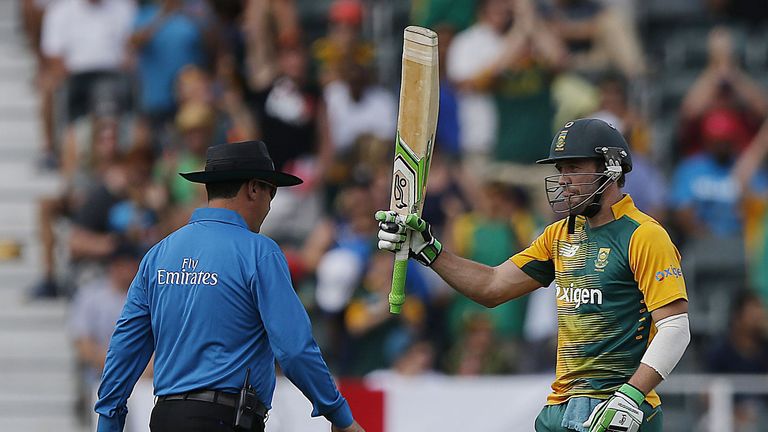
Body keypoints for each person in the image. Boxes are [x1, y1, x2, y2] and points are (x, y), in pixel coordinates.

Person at [377, 118, 690, 432]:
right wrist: (430, 251)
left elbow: (675, 329)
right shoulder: (558, 235)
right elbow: (492, 285)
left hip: (618, 407)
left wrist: (629, 396)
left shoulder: (644, 235)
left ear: (611, 168)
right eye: (560, 169)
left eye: (574, 167)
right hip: (560, 407)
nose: (563, 179)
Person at [95, 140, 365, 432]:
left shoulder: (159, 253)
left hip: (166, 418)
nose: (270, 204)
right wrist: (338, 414)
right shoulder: (259, 252)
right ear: (253, 188)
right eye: (270, 191)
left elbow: (125, 345)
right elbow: (295, 349)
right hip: (225, 420)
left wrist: (109, 421)